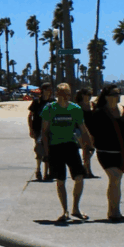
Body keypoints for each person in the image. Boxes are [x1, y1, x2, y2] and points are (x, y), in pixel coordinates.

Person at [85, 85, 124, 221]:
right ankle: (113, 213)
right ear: (107, 96)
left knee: (117, 181)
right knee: (115, 178)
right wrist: (88, 147)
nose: (117, 96)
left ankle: (114, 211)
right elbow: (91, 132)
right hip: (106, 153)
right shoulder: (98, 113)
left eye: (118, 93)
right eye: (114, 94)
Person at [41, 83, 91, 222]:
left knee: (79, 177)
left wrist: (89, 146)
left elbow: (83, 128)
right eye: (62, 93)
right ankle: (65, 211)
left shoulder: (75, 109)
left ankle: (76, 208)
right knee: (60, 180)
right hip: (55, 147)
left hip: (71, 146)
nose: (65, 96)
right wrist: (46, 152)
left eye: (68, 93)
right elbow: (44, 132)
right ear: (57, 94)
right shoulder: (49, 109)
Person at [28, 83, 54, 181]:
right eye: (47, 89)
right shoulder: (37, 101)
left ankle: (46, 173)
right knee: (39, 150)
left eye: (50, 89)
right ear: (43, 90)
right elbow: (30, 116)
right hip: (38, 129)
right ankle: (38, 170)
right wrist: (31, 129)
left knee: (48, 151)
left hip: (50, 129)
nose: (49, 91)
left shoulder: (53, 102)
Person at [74, 88, 97, 178]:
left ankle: (85, 168)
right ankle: (88, 171)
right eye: (87, 94)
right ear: (82, 95)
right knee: (86, 149)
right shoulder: (78, 106)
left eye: (90, 94)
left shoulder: (92, 105)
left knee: (91, 149)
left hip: (92, 129)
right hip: (81, 130)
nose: (89, 96)